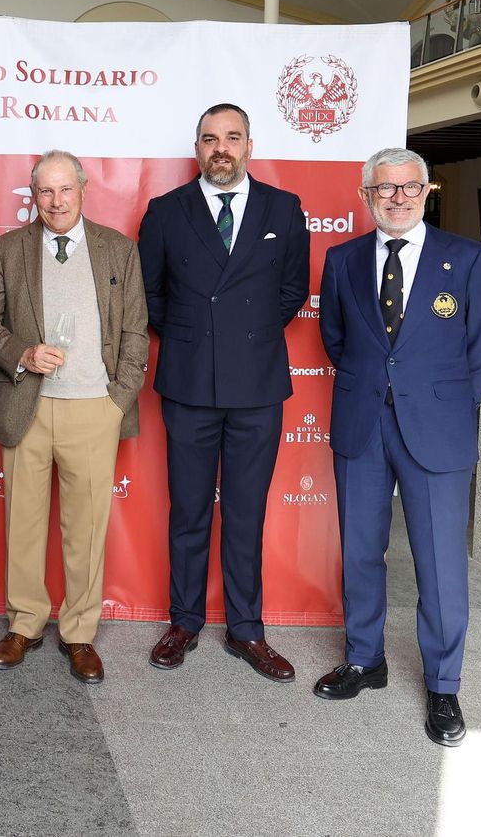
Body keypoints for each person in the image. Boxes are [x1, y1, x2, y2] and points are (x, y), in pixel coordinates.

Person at [312, 147, 481, 747]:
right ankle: (365, 660)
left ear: (427, 193)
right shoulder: (341, 260)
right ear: (366, 195)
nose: (397, 197)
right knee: (362, 551)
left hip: (438, 430)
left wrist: (442, 400)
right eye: (385, 188)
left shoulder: (469, 260)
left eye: (409, 188)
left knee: (440, 563)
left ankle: (444, 685)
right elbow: (337, 339)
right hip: (362, 422)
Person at [137, 102, 309, 682]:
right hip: (187, 384)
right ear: (197, 148)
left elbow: (289, 293)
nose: (221, 148)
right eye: (210, 138)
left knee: (245, 512)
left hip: (257, 385)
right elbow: (151, 297)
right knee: (187, 510)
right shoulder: (166, 212)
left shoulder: (284, 209)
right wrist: (195, 339)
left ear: (249, 146)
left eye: (232, 137)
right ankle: (183, 621)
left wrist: (243, 338)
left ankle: (246, 630)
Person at [0, 150, 148, 684]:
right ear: (33, 195)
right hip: (29, 403)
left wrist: (119, 398)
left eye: (65, 189)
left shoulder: (118, 249)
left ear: (83, 190)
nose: (56, 200)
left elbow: (136, 330)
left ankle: (79, 633)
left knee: (86, 529)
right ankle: (24, 623)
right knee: (21, 522)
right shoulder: (8, 249)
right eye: (45, 191)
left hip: (96, 409)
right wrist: (22, 352)